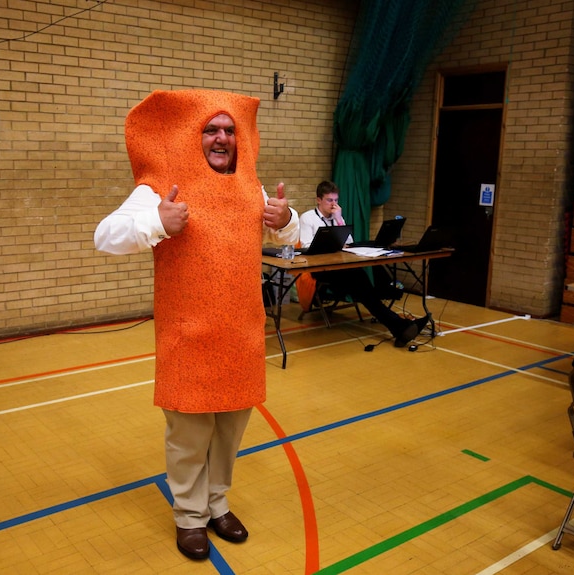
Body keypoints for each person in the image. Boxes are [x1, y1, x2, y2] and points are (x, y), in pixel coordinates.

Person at [94, 89, 299, 561]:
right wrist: (156, 222)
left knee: (230, 429)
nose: (222, 137)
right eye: (211, 129)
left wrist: (285, 219)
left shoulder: (253, 183)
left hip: (242, 332)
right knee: (188, 435)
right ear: (195, 136)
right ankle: (189, 516)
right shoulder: (160, 184)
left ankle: (217, 504)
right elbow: (104, 236)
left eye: (229, 129)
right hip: (187, 334)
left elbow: (289, 235)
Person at [300, 181, 428, 347]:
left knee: (365, 280)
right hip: (321, 269)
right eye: (329, 200)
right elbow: (305, 246)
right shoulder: (307, 218)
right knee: (362, 284)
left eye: (336, 200)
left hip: (341, 266)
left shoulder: (337, 216)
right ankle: (398, 325)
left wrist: (339, 219)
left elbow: (350, 242)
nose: (334, 205)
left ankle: (398, 326)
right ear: (318, 200)